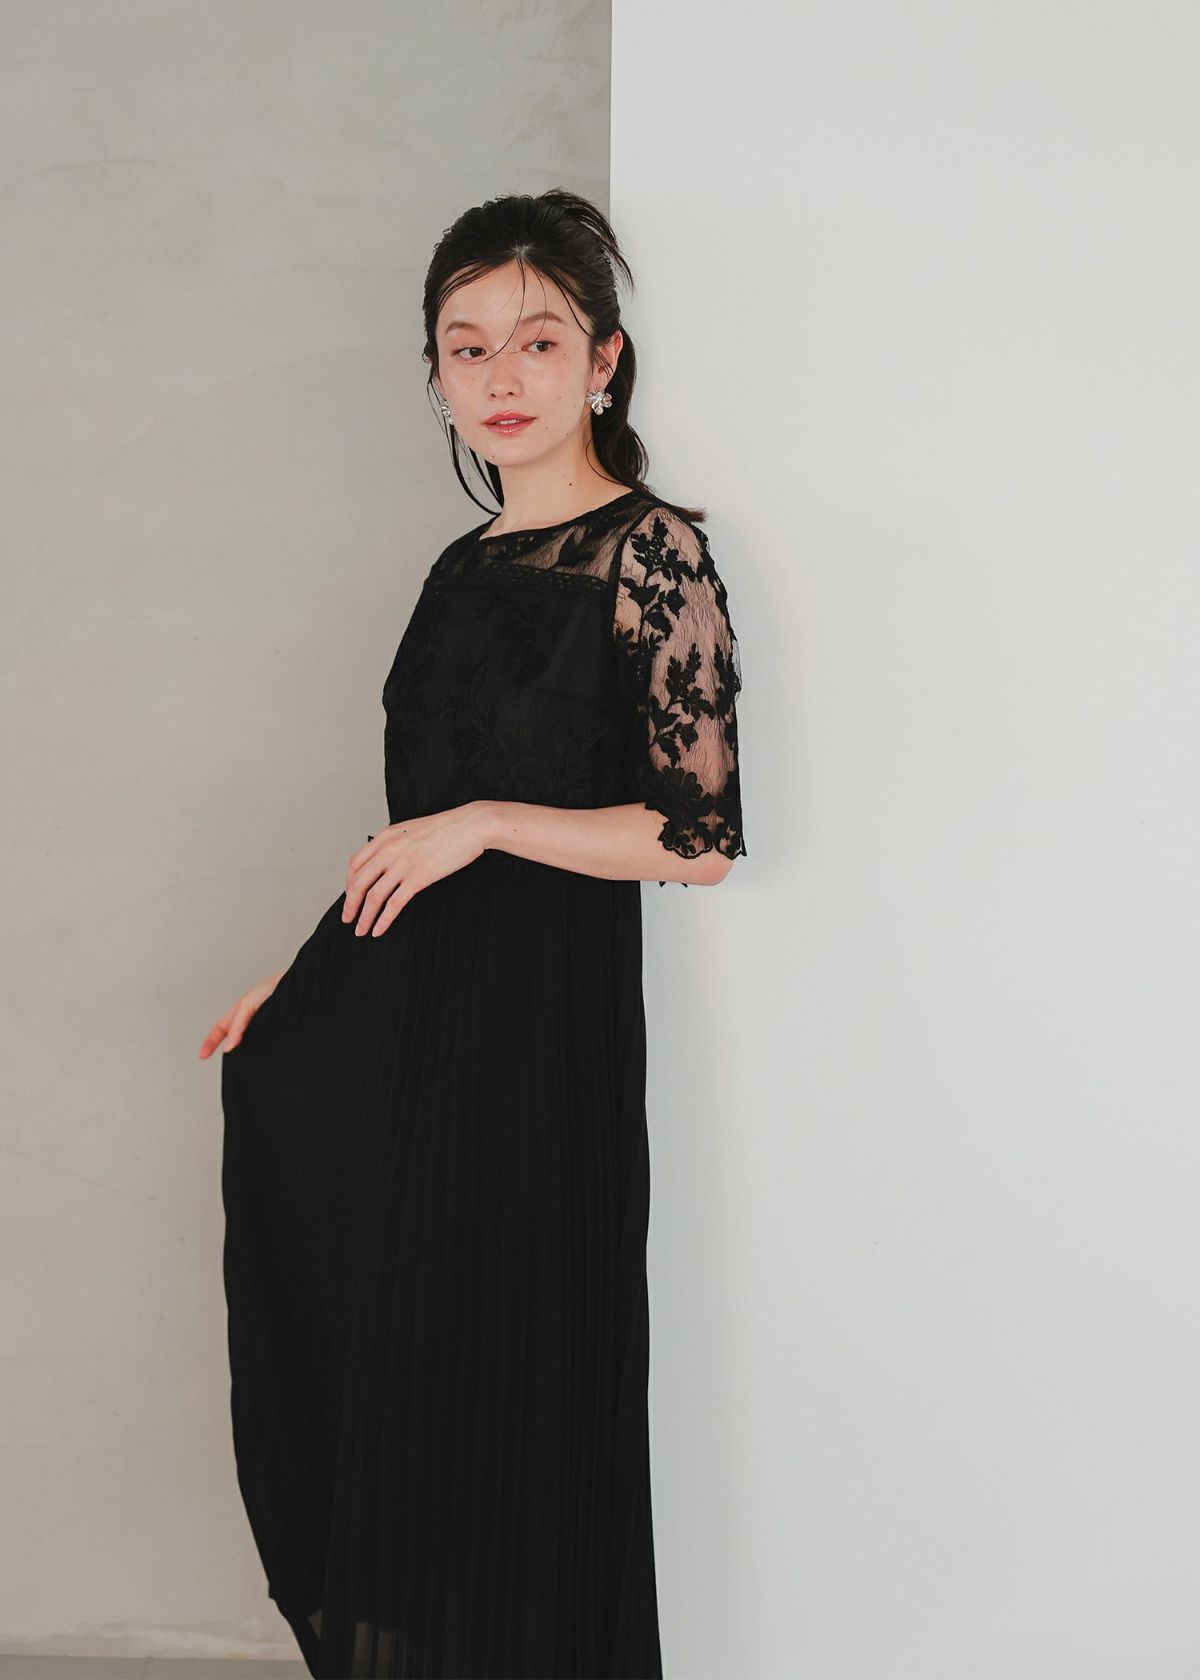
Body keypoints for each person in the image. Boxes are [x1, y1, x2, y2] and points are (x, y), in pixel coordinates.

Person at [200, 187, 747, 1680]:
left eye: (540, 340)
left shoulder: (652, 555)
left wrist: (495, 821)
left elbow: (695, 841)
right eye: (468, 346)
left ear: (604, 362)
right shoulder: (460, 568)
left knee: (517, 1375)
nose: (503, 376)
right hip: (411, 1022)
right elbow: (417, 831)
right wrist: (308, 976)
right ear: (437, 374)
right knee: (408, 1375)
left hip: (537, 1039)